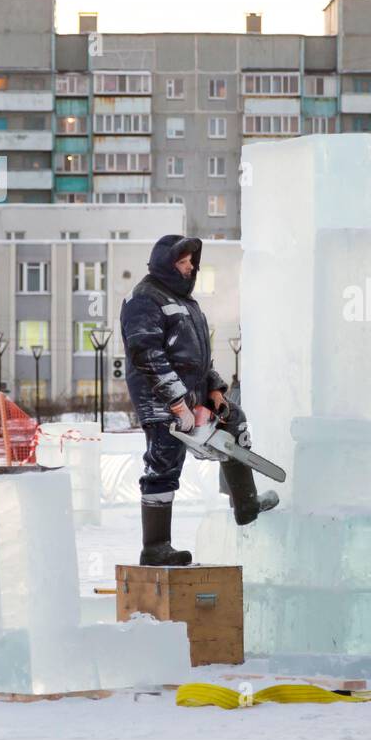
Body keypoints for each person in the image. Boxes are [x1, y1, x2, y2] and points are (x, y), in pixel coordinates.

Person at [121, 234, 279, 566]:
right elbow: (146, 354)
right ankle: (156, 545)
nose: (190, 268)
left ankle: (245, 503)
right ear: (165, 263)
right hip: (159, 401)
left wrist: (215, 390)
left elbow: (198, 358)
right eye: (182, 262)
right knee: (164, 462)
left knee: (233, 419)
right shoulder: (144, 299)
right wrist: (177, 403)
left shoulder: (187, 304)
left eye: (191, 262)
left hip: (192, 396)